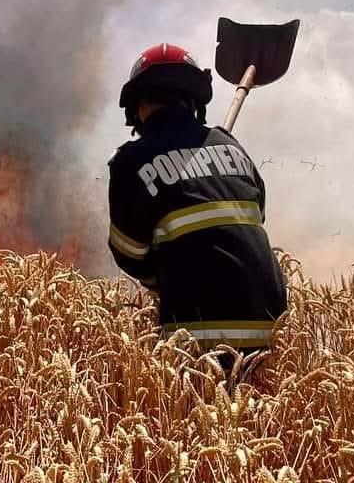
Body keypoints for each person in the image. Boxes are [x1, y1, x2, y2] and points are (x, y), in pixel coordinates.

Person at [107, 42, 288, 388]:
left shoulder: (132, 160)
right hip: (271, 321)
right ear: (194, 101)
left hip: (201, 327)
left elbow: (128, 252)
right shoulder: (228, 145)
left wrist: (165, 279)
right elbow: (257, 212)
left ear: (137, 106)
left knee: (189, 427)